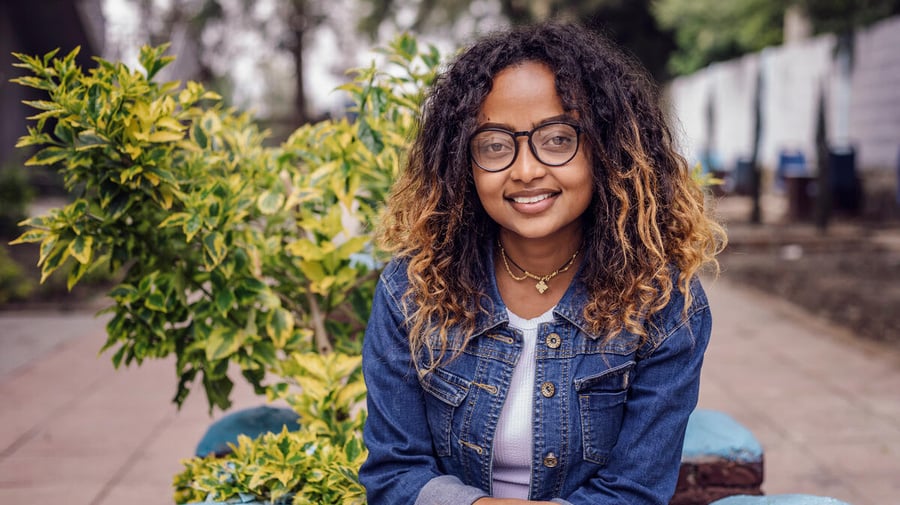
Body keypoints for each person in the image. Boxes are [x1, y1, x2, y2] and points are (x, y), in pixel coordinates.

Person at [359, 22, 726, 505]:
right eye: (494, 144)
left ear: (606, 150)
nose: (527, 170)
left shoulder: (663, 306)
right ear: (461, 164)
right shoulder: (412, 291)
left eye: (556, 139)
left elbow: (634, 492)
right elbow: (394, 474)